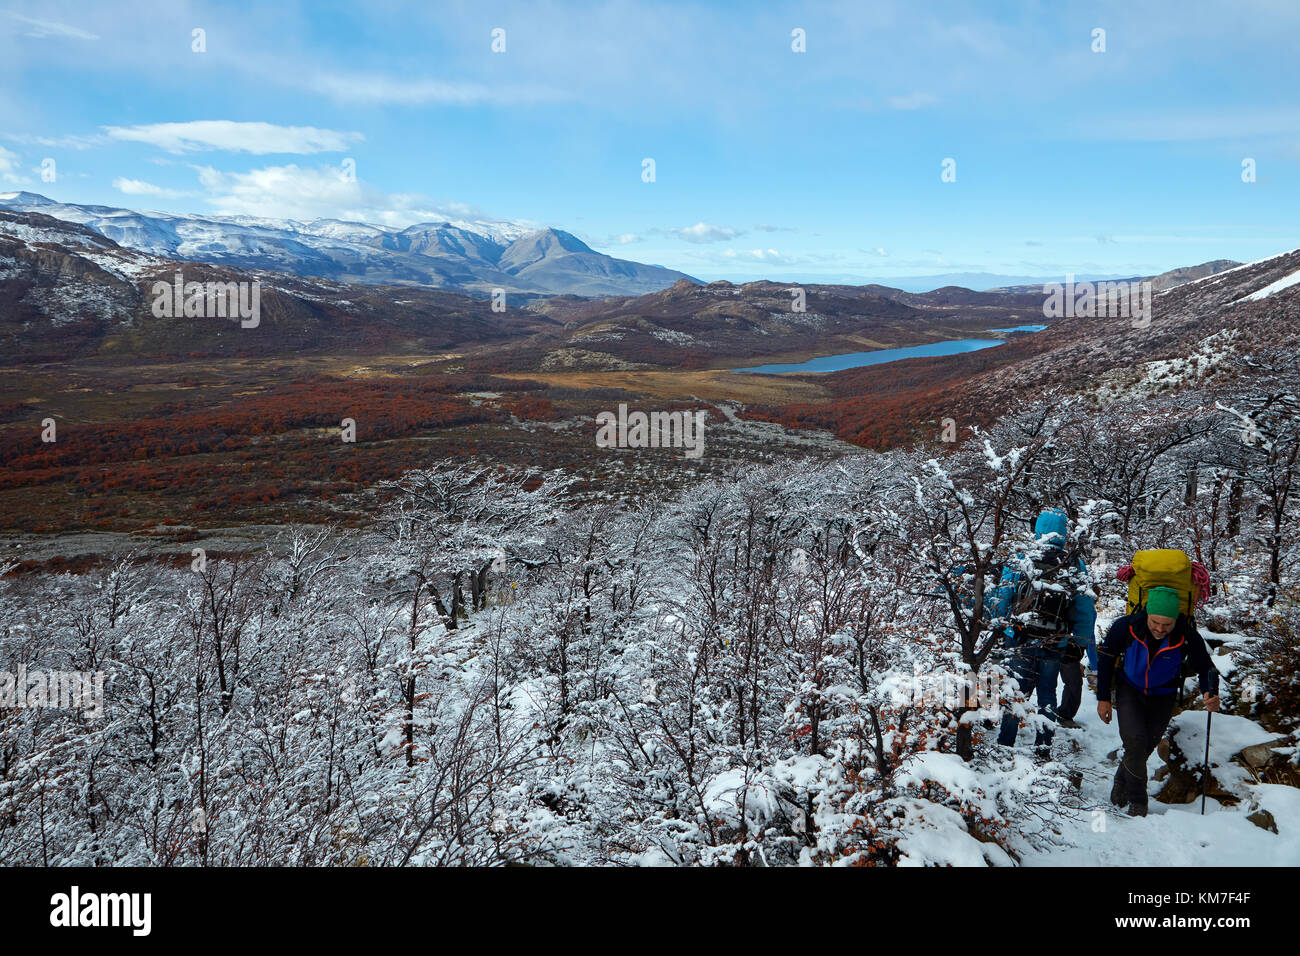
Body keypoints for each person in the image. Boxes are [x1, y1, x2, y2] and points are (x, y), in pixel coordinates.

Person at [1096, 586, 1220, 817]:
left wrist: (1210, 692)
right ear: (1147, 614)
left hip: (1163, 695)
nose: (1160, 629)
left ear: (1176, 621)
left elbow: (1206, 668)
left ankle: (1120, 782)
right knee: (1135, 741)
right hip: (1129, 690)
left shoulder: (1186, 634)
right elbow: (1106, 661)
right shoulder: (1126, 627)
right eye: (1155, 622)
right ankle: (1138, 802)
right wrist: (1103, 698)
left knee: (1144, 747)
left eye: (1167, 624)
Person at [991, 508, 1097, 756]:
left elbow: (1004, 595)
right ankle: (1043, 747)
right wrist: (1079, 643)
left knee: (1016, 691)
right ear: (1063, 531)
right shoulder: (1074, 563)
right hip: (1056, 642)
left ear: (1037, 529)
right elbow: (1085, 608)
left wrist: (999, 625)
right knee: (1048, 692)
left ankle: (1005, 745)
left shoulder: (1022, 557)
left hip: (1019, 638)